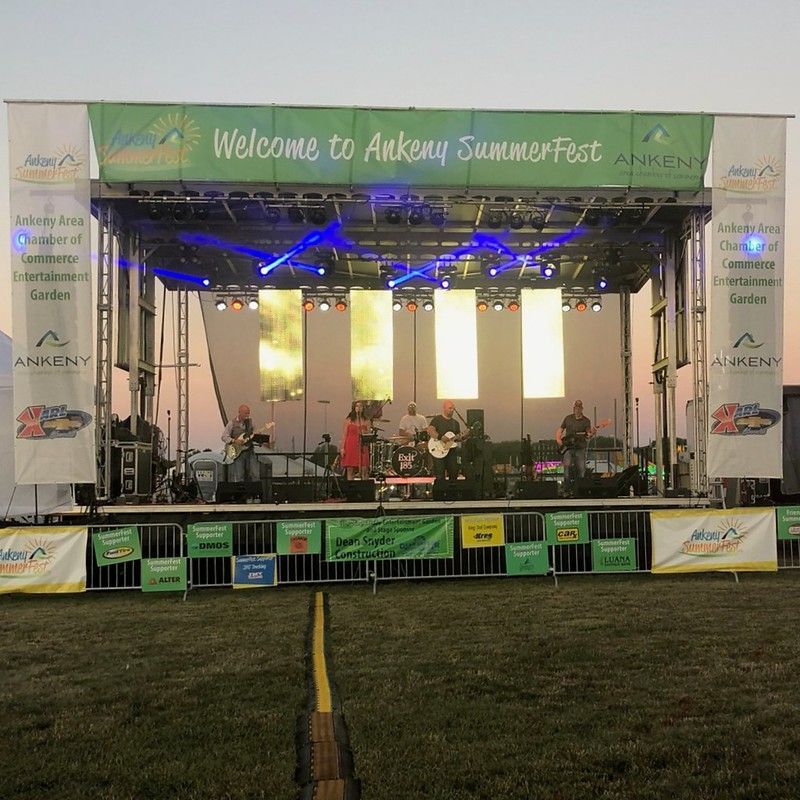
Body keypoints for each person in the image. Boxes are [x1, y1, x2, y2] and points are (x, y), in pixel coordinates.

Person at [555, 400, 597, 495]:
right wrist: (558, 439)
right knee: (567, 466)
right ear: (573, 408)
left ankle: (580, 489)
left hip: (580, 447)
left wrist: (591, 434)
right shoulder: (568, 418)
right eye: (576, 407)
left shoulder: (586, 421)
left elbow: (588, 434)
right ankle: (566, 489)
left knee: (581, 468)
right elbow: (560, 429)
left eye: (579, 407)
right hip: (568, 448)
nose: (577, 409)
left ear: (582, 408)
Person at [222, 404, 261, 483]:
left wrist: (259, 438)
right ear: (240, 412)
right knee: (239, 476)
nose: (247, 415)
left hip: (249, 451)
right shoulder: (231, 423)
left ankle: (255, 493)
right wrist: (234, 440)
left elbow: (256, 434)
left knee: (255, 474)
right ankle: (241, 494)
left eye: (248, 413)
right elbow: (224, 437)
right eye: (246, 413)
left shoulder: (251, 423)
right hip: (238, 453)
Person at [427, 399, 463, 483]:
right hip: (439, 451)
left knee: (454, 473)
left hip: (451, 451)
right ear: (444, 408)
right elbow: (430, 431)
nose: (452, 410)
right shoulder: (437, 419)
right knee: (440, 475)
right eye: (450, 408)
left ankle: (452, 492)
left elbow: (457, 438)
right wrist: (440, 437)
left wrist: (463, 436)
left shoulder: (455, 423)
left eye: (453, 408)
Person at [340, 401, 372, 480]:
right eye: (357, 406)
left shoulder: (367, 421)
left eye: (361, 406)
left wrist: (365, 432)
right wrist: (342, 448)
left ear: (363, 408)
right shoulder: (348, 420)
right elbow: (344, 434)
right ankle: (350, 489)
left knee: (364, 469)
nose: (359, 408)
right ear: (354, 408)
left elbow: (369, 435)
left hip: (362, 446)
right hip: (350, 445)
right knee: (350, 469)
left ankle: (365, 489)